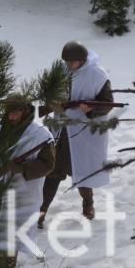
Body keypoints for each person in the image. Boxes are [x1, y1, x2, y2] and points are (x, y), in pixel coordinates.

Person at [39, 41, 115, 226]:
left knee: (82, 170)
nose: (69, 65)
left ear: (82, 60)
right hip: (61, 129)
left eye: (73, 62)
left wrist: (89, 109)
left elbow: (107, 104)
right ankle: (41, 211)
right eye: (67, 62)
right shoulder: (62, 72)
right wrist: (53, 104)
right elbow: (48, 96)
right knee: (53, 171)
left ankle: (88, 204)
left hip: (83, 130)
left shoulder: (98, 75)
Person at [0, 96, 56, 268]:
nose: (12, 116)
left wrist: (21, 168)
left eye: (16, 112)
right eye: (9, 112)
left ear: (25, 111)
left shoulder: (40, 135)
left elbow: (49, 165)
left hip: (23, 189)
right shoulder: (0, 126)